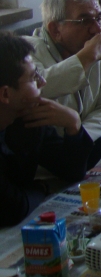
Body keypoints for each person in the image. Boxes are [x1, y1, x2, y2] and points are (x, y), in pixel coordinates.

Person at [0, 32, 93, 227]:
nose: (42, 83)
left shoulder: (27, 119)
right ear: (6, 94)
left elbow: (71, 171)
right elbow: (12, 209)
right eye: (33, 78)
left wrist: (73, 125)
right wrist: (41, 187)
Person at [24, 0, 101, 140]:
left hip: (85, 143)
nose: (97, 30)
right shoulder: (25, 51)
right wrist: (86, 57)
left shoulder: (92, 47)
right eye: (85, 21)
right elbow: (37, 90)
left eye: (99, 18)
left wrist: (79, 134)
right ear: (55, 30)